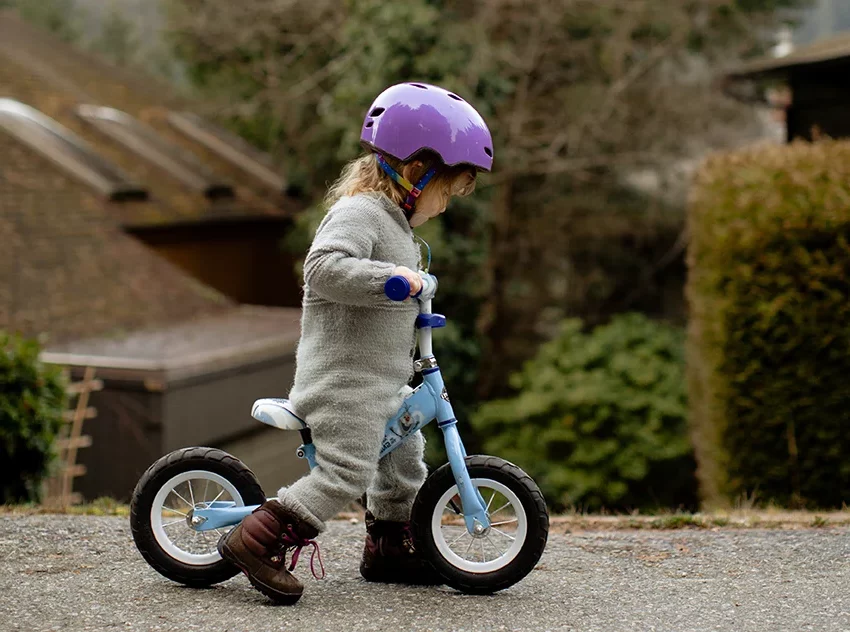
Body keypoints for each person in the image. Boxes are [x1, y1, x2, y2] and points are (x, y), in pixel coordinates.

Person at [218, 82, 494, 604]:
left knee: (405, 458)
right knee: (348, 469)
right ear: (417, 172)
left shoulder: (398, 226)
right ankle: (258, 540)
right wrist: (389, 279)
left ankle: (391, 548)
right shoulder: (360, 213)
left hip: (380, 379)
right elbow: (322, 269)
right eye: (448, 191)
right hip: (343, 381)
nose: (446, 205)